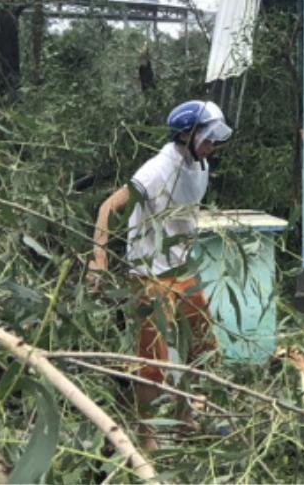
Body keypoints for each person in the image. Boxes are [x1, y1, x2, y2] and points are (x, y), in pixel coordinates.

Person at [88, 99, 232, 428]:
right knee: (153, 361)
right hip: (150, 273)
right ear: (187, 136)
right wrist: (99, 259)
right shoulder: (155, 171)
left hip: (182, 268)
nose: (213, 146)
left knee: (203, 346)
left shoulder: (201, 165)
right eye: (208, 138)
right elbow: (108, 208)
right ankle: (147, 436)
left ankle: (187, 418)